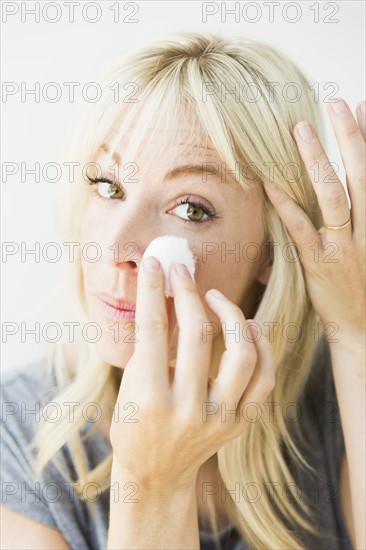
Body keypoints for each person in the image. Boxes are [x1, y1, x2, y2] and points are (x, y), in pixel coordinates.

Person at [1, 31, 364, 550]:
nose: (115, 246)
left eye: (190, 208)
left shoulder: (336, 402)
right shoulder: (14, 437)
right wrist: (154, 483)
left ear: (270, 252)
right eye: (109, 186)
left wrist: (355, 331)